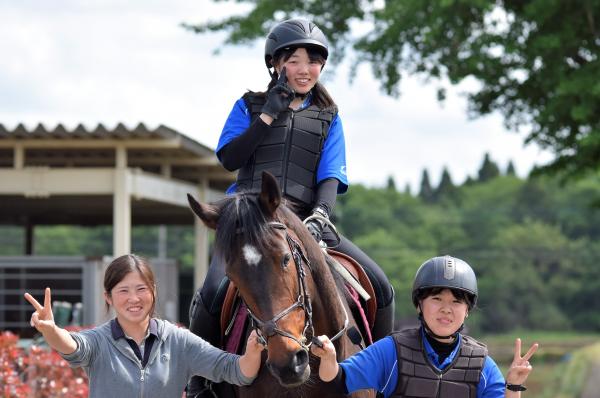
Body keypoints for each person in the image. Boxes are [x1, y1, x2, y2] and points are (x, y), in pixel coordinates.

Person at [187, 17, 395, 397]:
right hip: (249, 219)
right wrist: (268, 113)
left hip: (308, 219)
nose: (304, 69)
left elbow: (331, 174)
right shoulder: (248, 106)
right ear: (276, 64)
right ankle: (201, 383)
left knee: (380, 285)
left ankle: (384, 379)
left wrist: (321, 215)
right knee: (212, 292)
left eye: (313, 61)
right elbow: (230, 158)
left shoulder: (329, 116)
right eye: (295, 60)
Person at [24, 254, 264, 398]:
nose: (134, 299)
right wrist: (51, 330)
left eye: (141, 289)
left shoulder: (178, 340)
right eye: (124, 291)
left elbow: (235, 370)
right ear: (108, 297)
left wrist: (253, 351)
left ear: (153, 292)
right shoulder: (99, 341)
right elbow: (73, 347)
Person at [311, 255, 539, 397]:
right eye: (437, 299)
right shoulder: (392, 351)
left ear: (467, 310)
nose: (446, 309)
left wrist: (514, 386)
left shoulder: (482, 365)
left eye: (456, 302)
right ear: (419, 305)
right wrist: (329, 359)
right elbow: (338, 380)